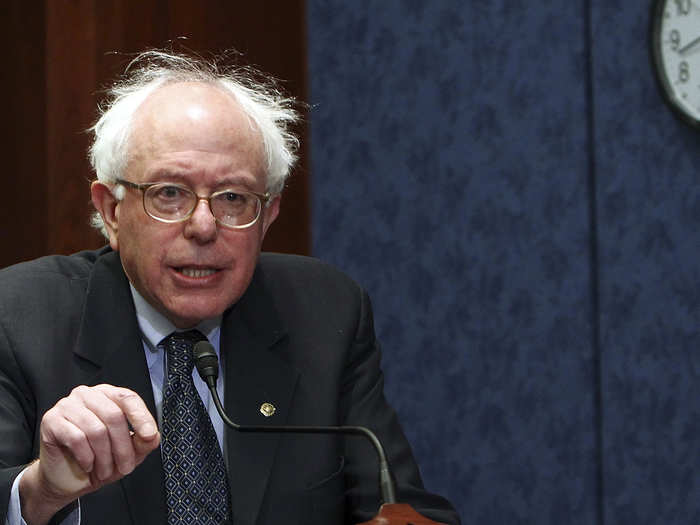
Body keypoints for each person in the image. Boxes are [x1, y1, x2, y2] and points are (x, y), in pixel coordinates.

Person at [0, 50, 459, 525]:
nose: (203, 226)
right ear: (112, 211)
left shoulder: (325, 313)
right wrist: (41, 492)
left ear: (268, 216)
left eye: (234, 198)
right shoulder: (18, 317)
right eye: (169, 193)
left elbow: (401, 506)